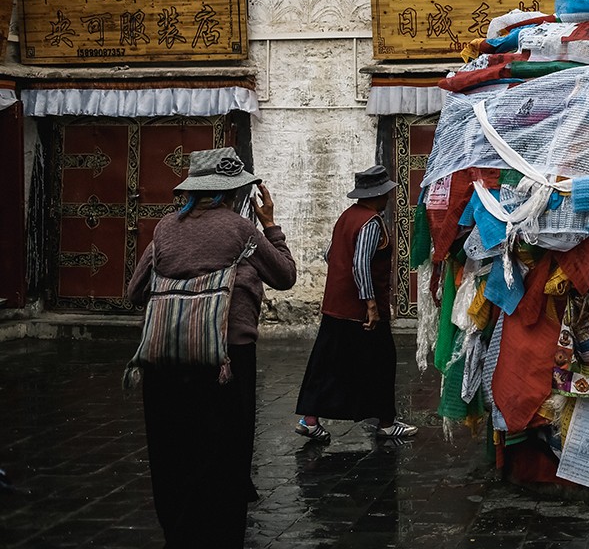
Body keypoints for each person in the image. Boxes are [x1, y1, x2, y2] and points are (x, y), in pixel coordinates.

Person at [127, 147, 297, 548]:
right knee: (224, 454)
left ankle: (179, 533)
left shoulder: (165, 228)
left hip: (164, 358)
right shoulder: (241, 230)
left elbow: (135, 291)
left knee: (173, 453)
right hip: (225, 358)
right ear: (235, 192)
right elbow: (286, 275)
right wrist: (270, 225)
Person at [295, 165, 418, 441]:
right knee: (383, 361)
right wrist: (371, 305)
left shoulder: (346, 217)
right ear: (378, 195)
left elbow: (331, 255)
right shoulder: (371, 222)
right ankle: (386, 422)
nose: (387, 198)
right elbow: (361, 264)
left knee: (327, 363)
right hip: (360, 311)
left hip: (335, 306)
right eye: (385, 194)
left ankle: (310, 419)